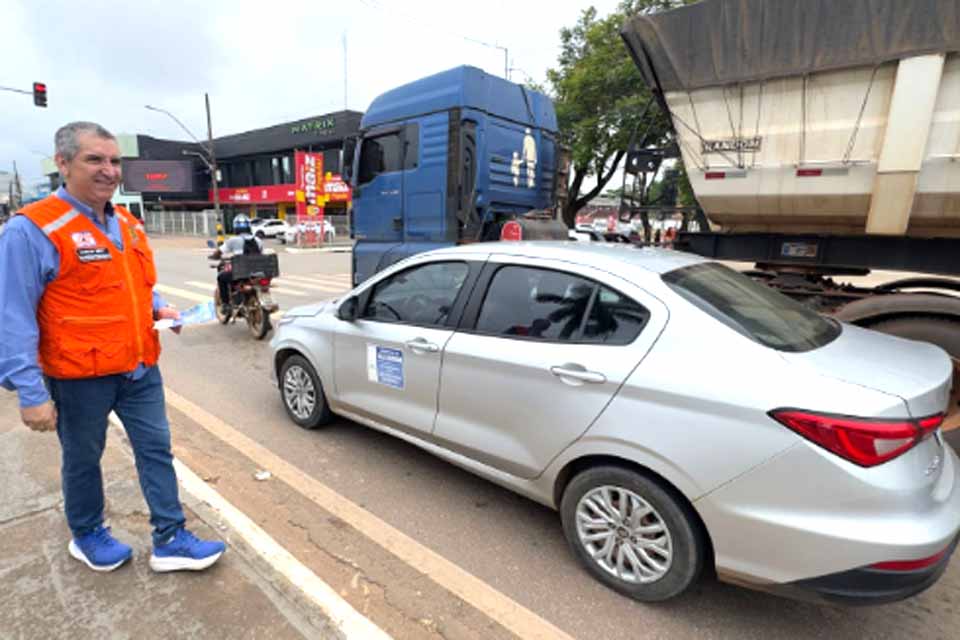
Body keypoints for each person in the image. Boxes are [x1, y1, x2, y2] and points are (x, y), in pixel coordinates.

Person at [0, 122, 226, 573]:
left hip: (140, 367)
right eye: (94, 160)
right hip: (79, 375)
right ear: (63, 163)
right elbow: (12, 316)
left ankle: (170, 538)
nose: (109, 171)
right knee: (83, 460)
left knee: (157, 450)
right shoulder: (32, 230)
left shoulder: (126, 221)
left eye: (115, 161)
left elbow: (134, 286)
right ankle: (86, 535)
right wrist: (30, 393)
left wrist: (159, 308)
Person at [216, 215, 263, 314]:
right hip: (257, 272)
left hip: (240, 273)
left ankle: (226, 304)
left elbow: (219, 252)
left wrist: (213, 256)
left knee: (221, 277)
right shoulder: (258, 240)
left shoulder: (232, 240)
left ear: (235, 228)